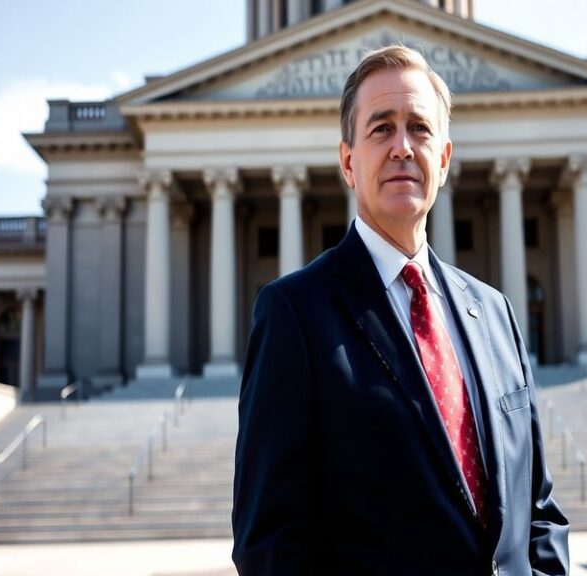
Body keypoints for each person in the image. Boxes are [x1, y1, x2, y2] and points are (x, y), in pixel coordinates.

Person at [232, 45, 569, 575]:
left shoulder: (495, 311)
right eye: (381, 128)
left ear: (445, 158)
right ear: (348, 161)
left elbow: (539, 512)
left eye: (419, 127)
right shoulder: (294, 314)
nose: (402, 147)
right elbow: (270, 542)